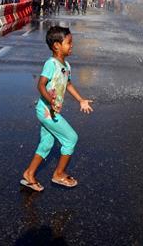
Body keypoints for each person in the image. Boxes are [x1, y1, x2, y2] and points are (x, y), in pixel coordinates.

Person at [21, 26, 93, 192]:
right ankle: (59, 174)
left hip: (51, 110)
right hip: (47, 111)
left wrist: (81, 100)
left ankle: (29, 174)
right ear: (56, 46)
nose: (72, 45)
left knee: (47, 143)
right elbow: (40, 85)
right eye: (69, 42)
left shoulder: (66, 65)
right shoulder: (51, 64)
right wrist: (50, 101)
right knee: (71, 138)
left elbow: (68, 84)